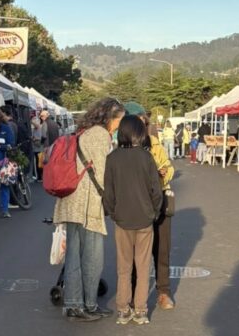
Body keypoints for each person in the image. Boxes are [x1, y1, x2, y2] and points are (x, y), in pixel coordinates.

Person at [53, 97, 125, 322]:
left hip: (71, 200)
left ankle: (78, 304)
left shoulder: (84, 130)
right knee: (92, 256)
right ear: (110, 117)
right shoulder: (100, 135)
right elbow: (103, 174)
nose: (118, 126)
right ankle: (85, 305)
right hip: (86, 203)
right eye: (118, 121)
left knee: (74, 255)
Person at [103, 115, 163, 325]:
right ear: (139, 132)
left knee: (124, 268)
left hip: (122, 220)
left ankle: (122, 310)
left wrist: (113, 213)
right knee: (143, 267)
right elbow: (156, 192)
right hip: (145, 220)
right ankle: (140, 310)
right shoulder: (147, 157)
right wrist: (153, 213)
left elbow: (108, 194)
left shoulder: (112, 158)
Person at [127, 103, 176, 312]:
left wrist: (165, 172)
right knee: (134, 251)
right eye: (137, 120)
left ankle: (163, 292)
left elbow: (169, 166)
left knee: (162, 249)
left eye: (143, 121)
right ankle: (133, 293)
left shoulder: (155, 143)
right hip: (137, 204)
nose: (142, 124)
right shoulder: (123, 148)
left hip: (160, 200)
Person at [31, 115, 45, 180]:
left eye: (34, 123)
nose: (33, 125)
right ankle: (39, 177)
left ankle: (41, 177)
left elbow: (40, 139)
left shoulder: (40, 129)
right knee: (37, 163)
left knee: (40, 163)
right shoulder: (34, 129)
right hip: (35, 149)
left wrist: (34, 139)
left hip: (39, 148)